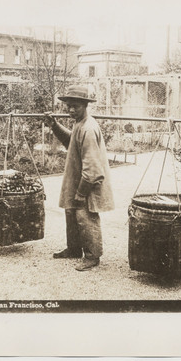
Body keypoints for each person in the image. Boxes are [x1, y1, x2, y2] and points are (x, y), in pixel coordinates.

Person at [44, 85, 114, 271]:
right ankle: (74, 249)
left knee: (85, 215)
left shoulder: (89, 129)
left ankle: (92, 255)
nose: (71, 110)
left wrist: (82, 192)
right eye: (69, 106)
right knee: (71, 212)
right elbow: (71, 141)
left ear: (85, 105)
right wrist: (54, 126)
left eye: (76, 106)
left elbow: (92, 168)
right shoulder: (79, 124)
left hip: (88, 182)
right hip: (77, 179)